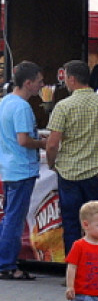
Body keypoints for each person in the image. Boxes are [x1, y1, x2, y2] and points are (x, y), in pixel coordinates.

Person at [45, 61, 98, 259]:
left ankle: (74, 267)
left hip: (68, 174)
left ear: (72, 79)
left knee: (71, 224)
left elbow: (52, 144)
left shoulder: (63, 106)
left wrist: (52, 163)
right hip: (95, 174)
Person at [0, 61, 46, 280]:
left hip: (9, 166)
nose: (42, 85)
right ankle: (7, 264)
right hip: (22, 168)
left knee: (9, 215)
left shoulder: (5, 101)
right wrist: (43, 143)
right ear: (28, 83)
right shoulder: (22, 107)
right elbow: (23, 140)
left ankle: (4, 260)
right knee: (14, 218)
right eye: (39, 81)